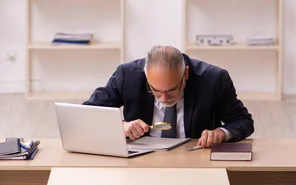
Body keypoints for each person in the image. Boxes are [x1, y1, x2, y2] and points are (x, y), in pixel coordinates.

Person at [84, 45, 254, 148]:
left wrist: (221, 133)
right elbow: (87, 114)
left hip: (194, 160)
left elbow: (243, 121)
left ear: (186, 74)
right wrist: (121, 126)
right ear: (145, 75)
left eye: (172, 90)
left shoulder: (214, 79)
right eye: (155, 90)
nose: (164, 99)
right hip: (140, 161)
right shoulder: (127, 75)